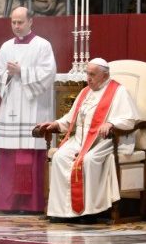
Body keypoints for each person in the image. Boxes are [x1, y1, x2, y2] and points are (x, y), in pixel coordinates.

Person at [36, 59, 139, 222]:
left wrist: (112, 123)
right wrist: (55, 123)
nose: (88, 78)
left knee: (89, 160)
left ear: (105, 75)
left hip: (105, 141)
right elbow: (70, 119)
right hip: (80, 140)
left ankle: (90, 212)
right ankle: (63, 211)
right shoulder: (85, 92)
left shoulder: (119, 92)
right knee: (59, 157)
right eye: (87, 74)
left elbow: (130, 120)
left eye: (92, 74)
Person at [0, 7, 56, 213]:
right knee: (10, 157)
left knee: (30, 155)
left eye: (20, 22)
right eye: (13, 22)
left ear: (30, 22)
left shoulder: (42, 45)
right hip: (11, 106)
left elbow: (48, 73)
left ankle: (30, 205)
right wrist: (7, 76)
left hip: (33, 107)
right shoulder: (6, 46)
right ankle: (8, 203)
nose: (16, 26)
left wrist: (22, 72)